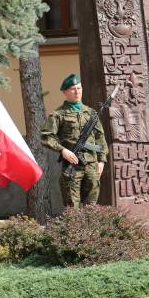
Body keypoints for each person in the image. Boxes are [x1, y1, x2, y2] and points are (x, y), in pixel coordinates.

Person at [41, 73, 109, 207]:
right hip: (72, 165)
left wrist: (101, 161)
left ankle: (92, 228)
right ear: (65, 92)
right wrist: (63, 150)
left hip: (91, 165)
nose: (77, 91)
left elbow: (100, 138)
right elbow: (46, 136)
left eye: (79, 88)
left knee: (91, 205)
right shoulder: (58, 114)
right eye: (73, 89)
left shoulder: (91, 113)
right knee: (72, 205)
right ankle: (74, 228)